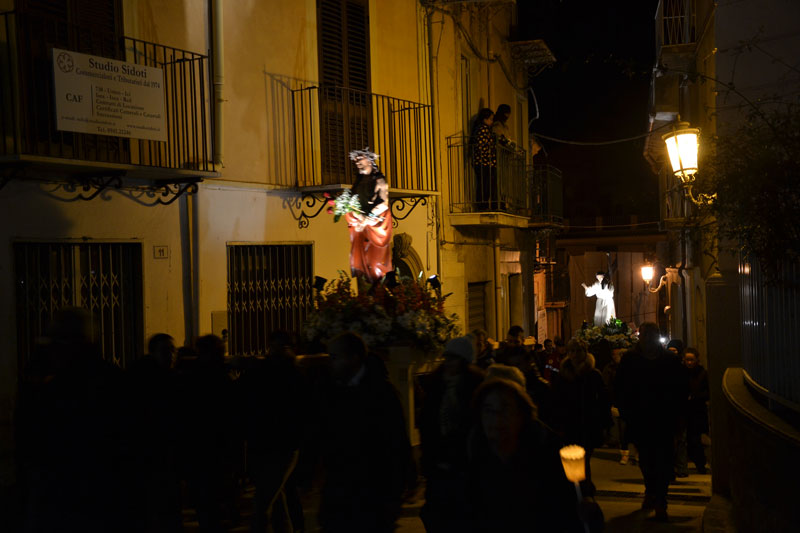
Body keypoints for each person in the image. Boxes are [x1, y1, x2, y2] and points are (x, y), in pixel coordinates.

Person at [466, 377, 602, 532]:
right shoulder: (470, 459)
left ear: (521, 415)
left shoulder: (549, 460)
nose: (496, 418)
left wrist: (590, 512)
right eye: (488, 410)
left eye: (505, 409)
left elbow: (574, 513)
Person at [318, 332, 411, 533]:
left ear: (353, 358)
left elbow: (396, 444)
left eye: (335, 357)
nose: (330, 363)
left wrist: (393, 497)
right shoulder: (332, 391)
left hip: (372, 496)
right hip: (340, 496)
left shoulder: (380, 393)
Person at [615, 322, 687, 522]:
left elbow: (681, 388)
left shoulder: (669, 360)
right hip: (640, 419)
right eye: (645, 335)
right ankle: (651, 490)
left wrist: (678, 415)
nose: (647, 339)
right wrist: (626, 411)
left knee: (663, 461)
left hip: (664, 419)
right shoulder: (630, 359)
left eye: (651, 335)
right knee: (646, 460)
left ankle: (660, 500)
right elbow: (620, 387)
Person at [418, 336, 485, 532]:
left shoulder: (475, 387)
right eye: (447, 357)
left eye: (454, 358)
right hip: (439, 466)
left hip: (464, 468)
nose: (448, 363)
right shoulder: (436, 385)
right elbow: (428, 424)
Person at [549, 339, 612, 491]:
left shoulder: (593, 374)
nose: (575, 354)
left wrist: (605, 423)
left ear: (585, 352)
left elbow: (603, 400)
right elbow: (555, 400)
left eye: (579, 351)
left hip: (589, 423)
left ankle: (583, 488)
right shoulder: (562, 375)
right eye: (572, 351)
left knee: (584, 458)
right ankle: (581, 489)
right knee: (574, 459)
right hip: (569, 424)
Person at [345, 148, 393, 283]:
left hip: (376, 225)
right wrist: (358, 216)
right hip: (360, 226)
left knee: (375, 262)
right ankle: (366, 287)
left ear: (370, 160)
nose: (357, 162)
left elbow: (384, 204)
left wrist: (366, 219)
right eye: (355, 160)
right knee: (361, 261)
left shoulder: (379, 180)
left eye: (359, 159)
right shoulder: (358, 182)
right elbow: (351, 202)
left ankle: (377, 286)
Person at [684, 348, 709, 474]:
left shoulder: (703, 374)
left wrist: (695, 397)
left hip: (697, 411)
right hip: (684, 411)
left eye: (691, 360)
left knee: (695, 439)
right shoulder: (682, 373)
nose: (689, 362)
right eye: (687, 360)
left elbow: (707, 392)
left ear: (697, 360)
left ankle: (700, 464)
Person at [470, 108, 497, 211]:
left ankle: (483, 205)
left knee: (485, 184)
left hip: (484, 161)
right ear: (485, 119)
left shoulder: (483, 129)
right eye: (491, 119)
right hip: (483, 162)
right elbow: (481, 146)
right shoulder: (483, 129)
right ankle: (482, 205)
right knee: (484, 185)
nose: (492, 121)